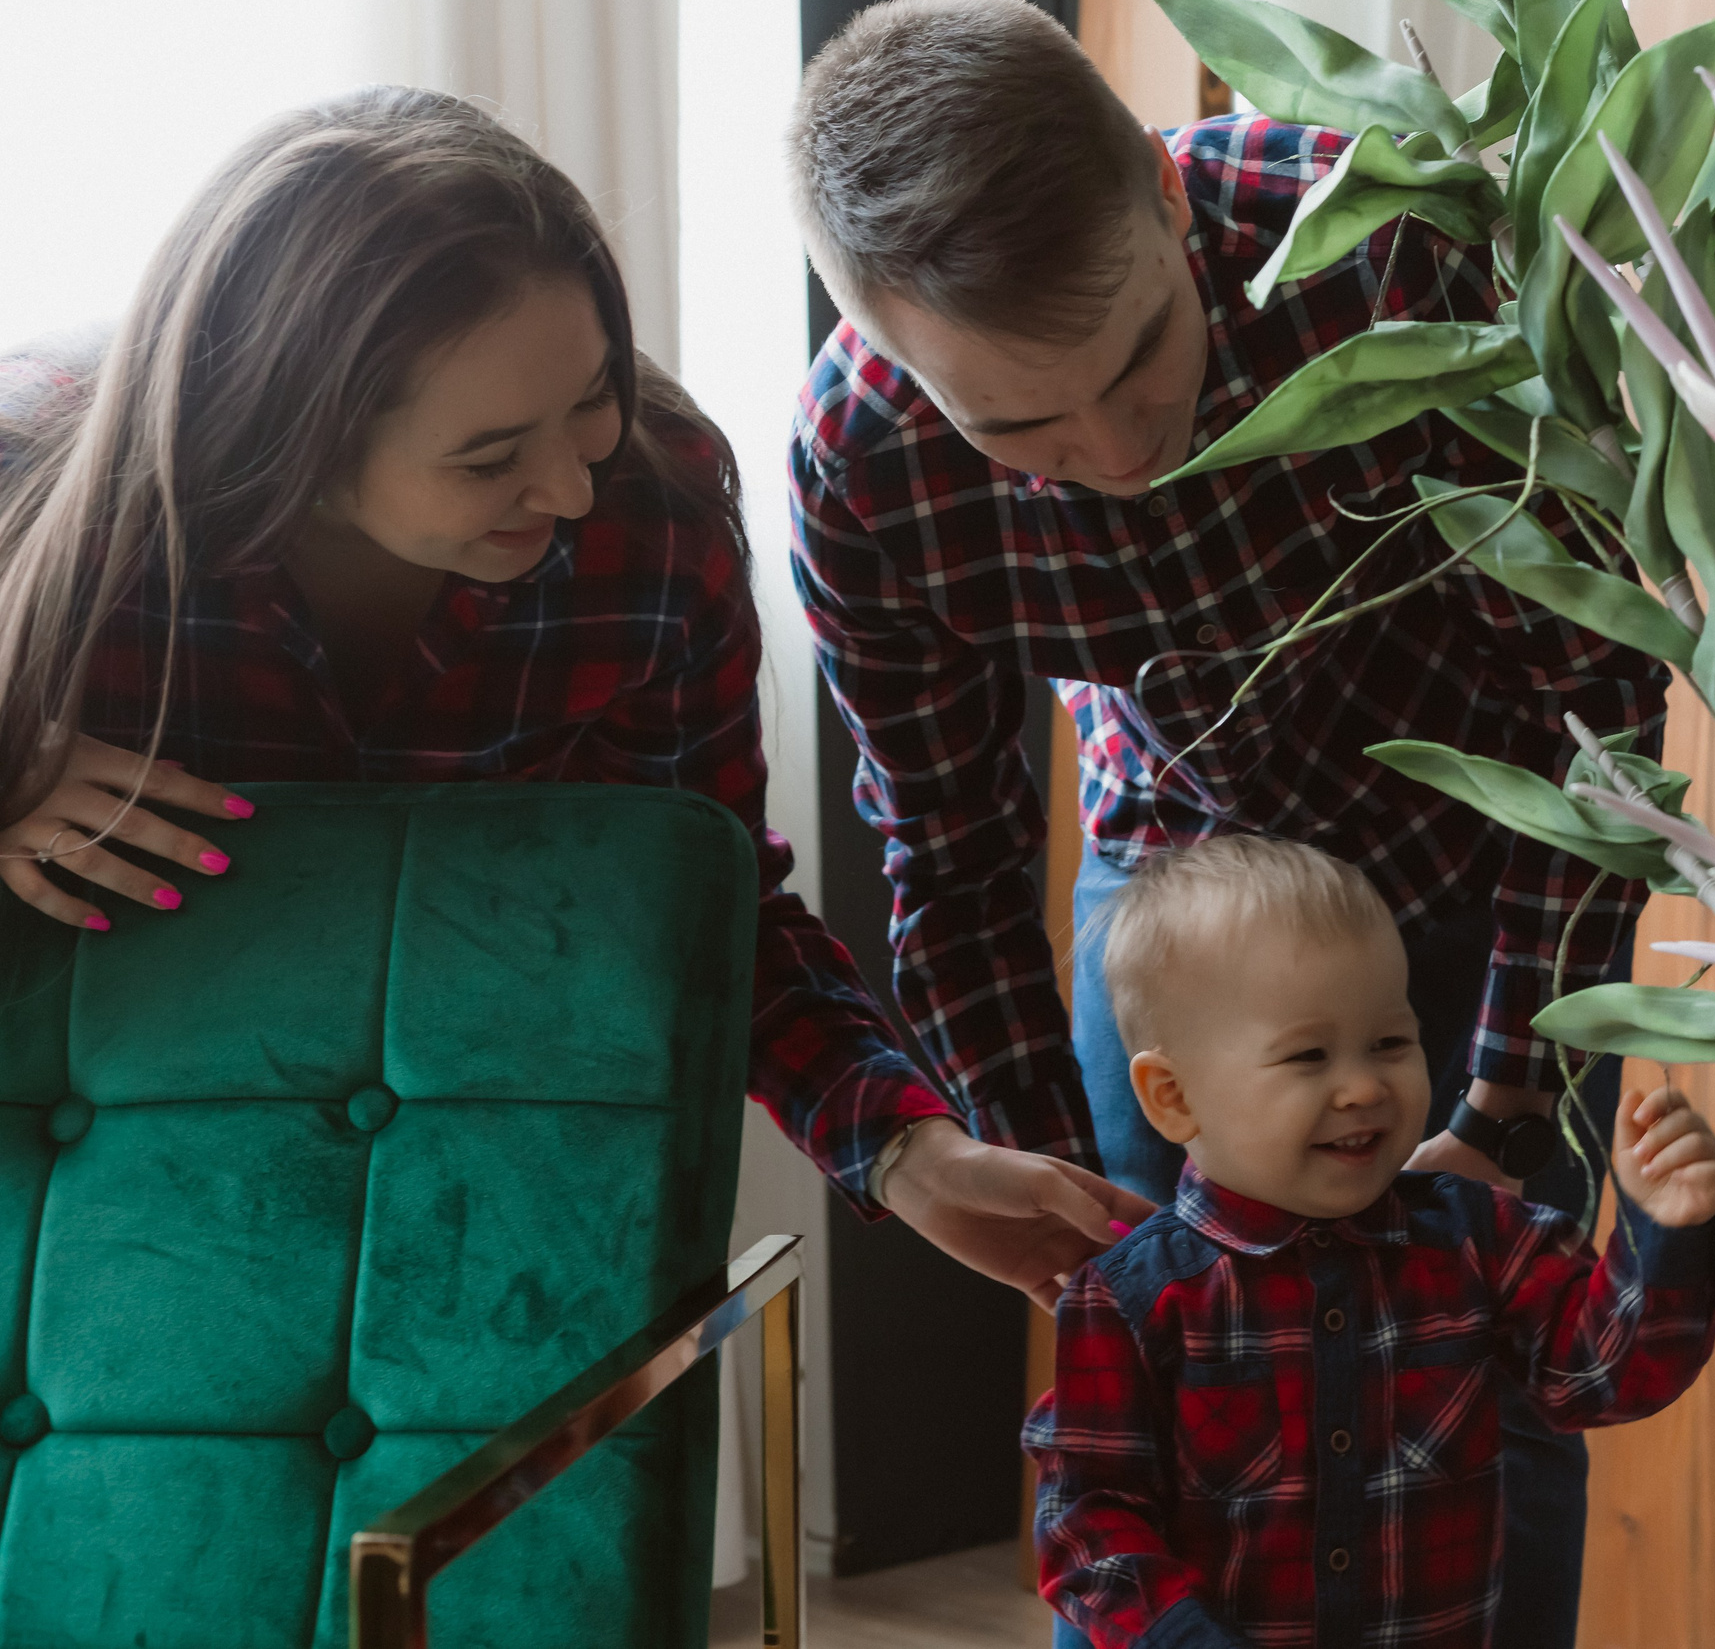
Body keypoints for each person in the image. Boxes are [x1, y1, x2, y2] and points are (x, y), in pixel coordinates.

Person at [782, 0, 1667, 1645]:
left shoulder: (1378, 246)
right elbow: (953, 848)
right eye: (1019, 426)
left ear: (1167, 198)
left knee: (1497, 1381)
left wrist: (1507, 1097)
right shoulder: (858, 467)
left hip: (1495, 860)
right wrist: (1038, 1160)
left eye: (1136, 359)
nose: (1118, 449)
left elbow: (1599, 697)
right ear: (896, 360)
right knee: (1165, 1395)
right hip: (1177, 886)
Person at [0, 85, 1148, 1297]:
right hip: (88, 1196)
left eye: (593, 397)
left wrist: (908, 1149)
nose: (570, 486)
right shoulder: (44, 474)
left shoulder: (654, 510)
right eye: (489, 457)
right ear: (298, 440)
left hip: (465, 1177)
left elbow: (701, 904)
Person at [1025, 836, 1715, 1649]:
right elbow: (1087, 1524)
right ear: (1173, 1095)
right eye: (1310, 1055)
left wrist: (1666, 1230)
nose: (1364, 1085)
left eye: (1391, 1042)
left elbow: (1607, 1377)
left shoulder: (1481, 1240)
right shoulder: (1125, 1301)